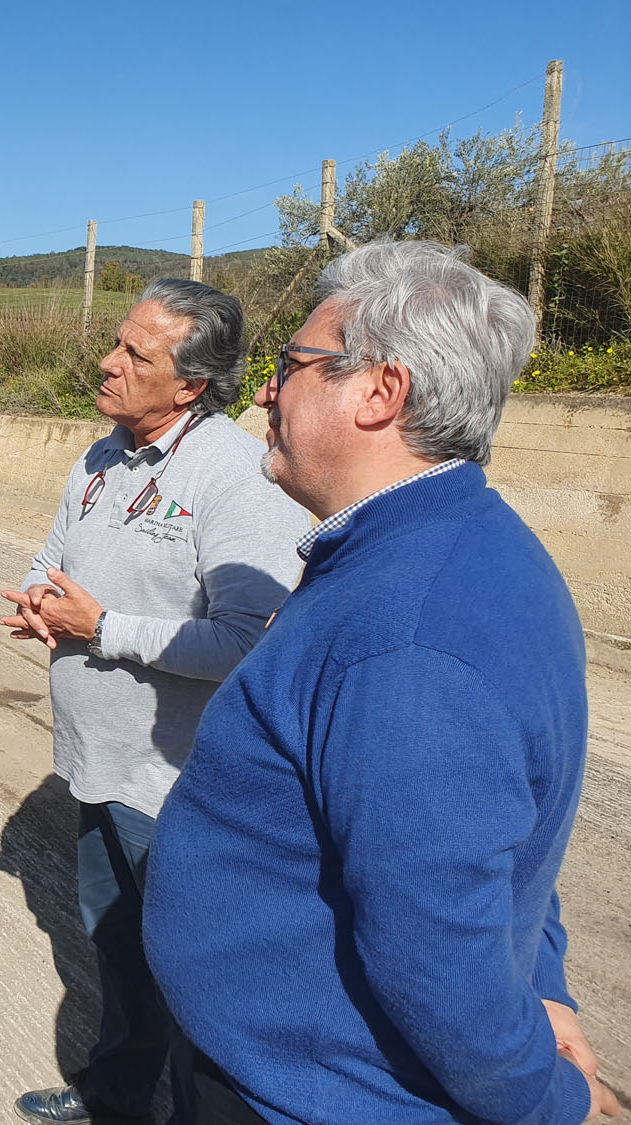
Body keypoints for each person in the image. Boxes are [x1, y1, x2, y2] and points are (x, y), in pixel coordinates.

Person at [143, 241, 621, 1124]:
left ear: (379, 392)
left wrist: (553, 1098)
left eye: (291, 365)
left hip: (307, 1098)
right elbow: (503, 838)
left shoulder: (408, 633)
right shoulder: (441, 547)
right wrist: (547, 986)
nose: (263, 392)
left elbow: (439, 953)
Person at [1, 279, 308, 1125]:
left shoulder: (235, 475)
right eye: (116, 342)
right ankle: (117, 1095)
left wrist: (101, 629)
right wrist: (40, 597)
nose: (108, 363)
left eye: (136, 354)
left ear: (190, 384)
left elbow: (248, 641)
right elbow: (52, 554)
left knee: (193, 988)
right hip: (99, 767)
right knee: (118, 953)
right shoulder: (101, 454)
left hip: (174, 789)